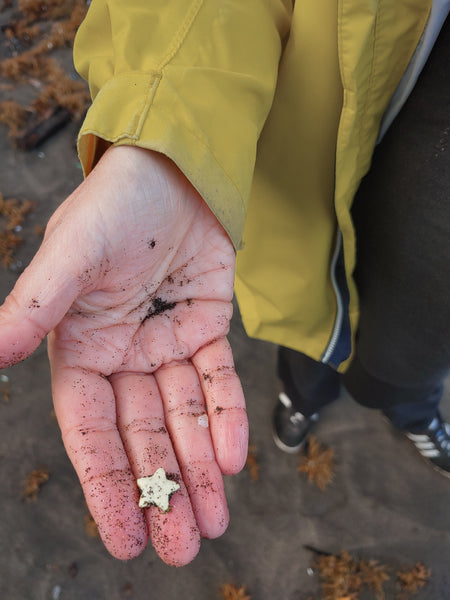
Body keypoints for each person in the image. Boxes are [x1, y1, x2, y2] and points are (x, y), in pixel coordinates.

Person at [0, 0, 449, 567]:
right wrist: (163, 142)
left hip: (432, 295)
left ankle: (414, 412)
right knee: (309, 338)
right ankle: (301, 398)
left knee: (406, 370)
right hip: (301, 219)